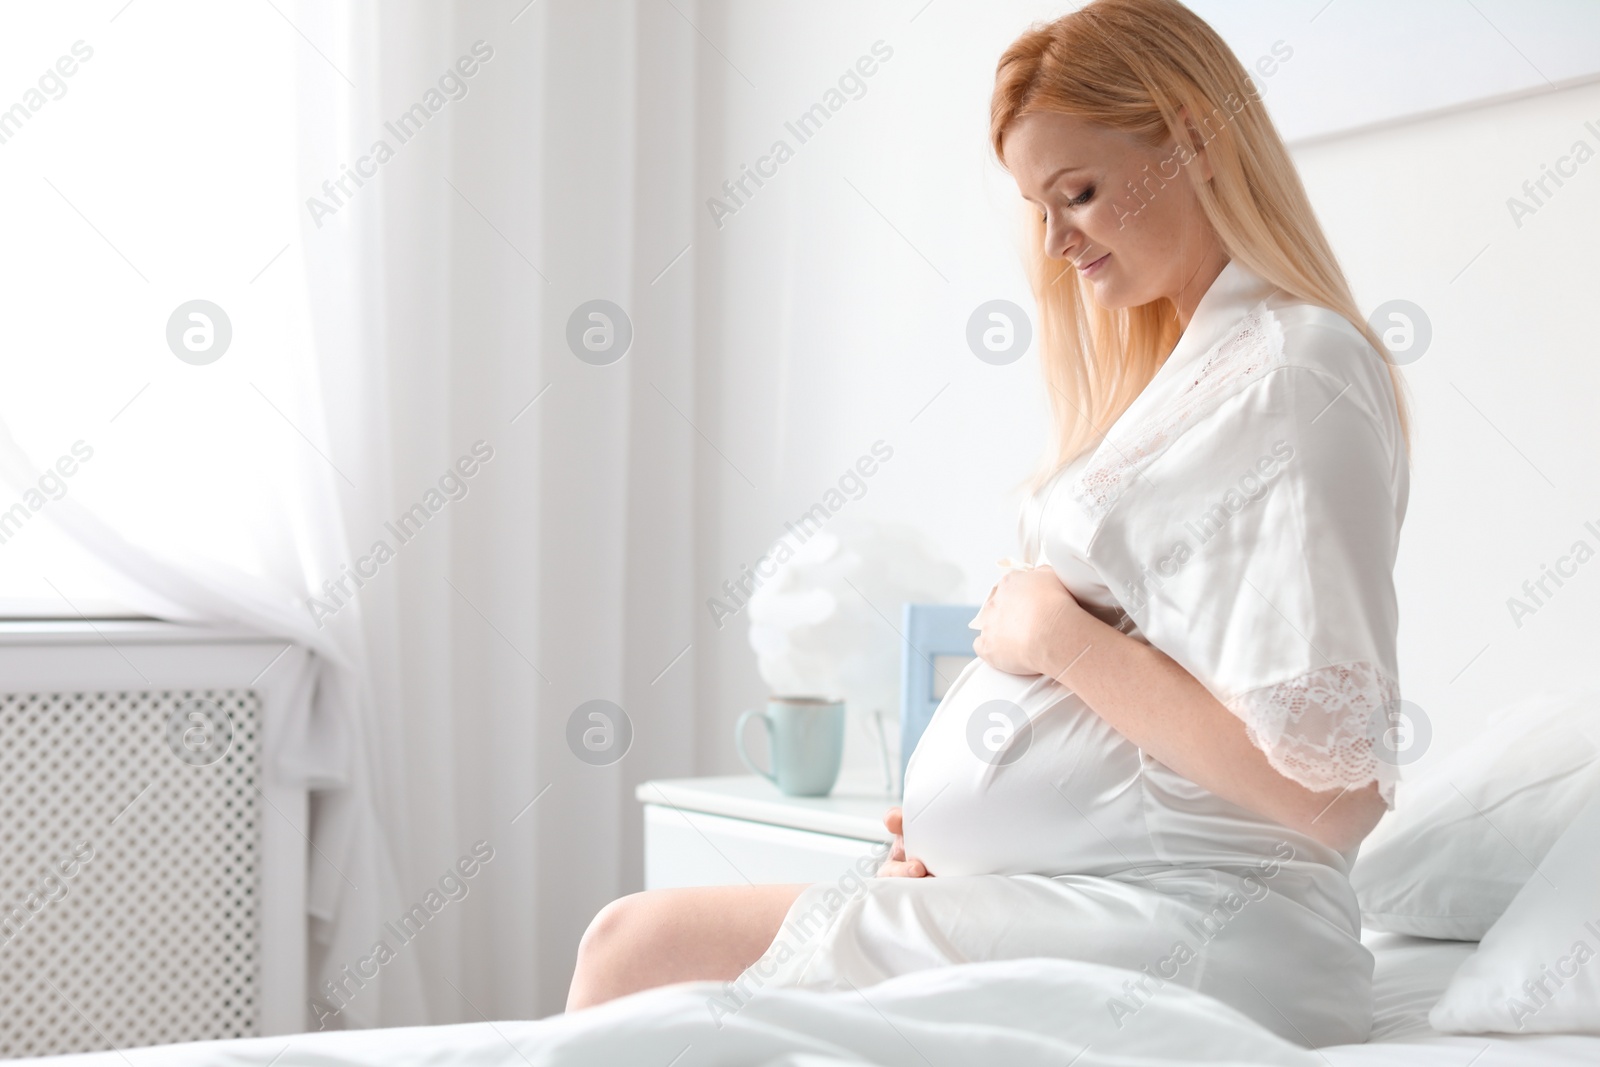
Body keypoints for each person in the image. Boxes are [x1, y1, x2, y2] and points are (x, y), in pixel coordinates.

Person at [566, 0, 1412, 1046]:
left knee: (633, 949)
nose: (1055, 242)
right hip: (1108, 895)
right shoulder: (1197, 372)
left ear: (1194, 138)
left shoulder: (1294, 368)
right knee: (641, 958)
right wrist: (973, 849)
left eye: (1080, 193)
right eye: (1037, 206)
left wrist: (1051, 636)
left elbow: (1325, 795)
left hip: (1195, 928)